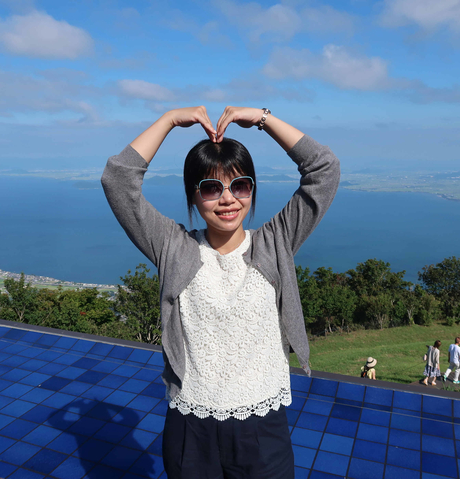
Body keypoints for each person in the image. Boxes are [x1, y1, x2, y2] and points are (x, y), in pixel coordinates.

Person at [101, 106, 340, 478]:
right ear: (194, 196)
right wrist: (167, 121)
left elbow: (324, 169)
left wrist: (263, 119)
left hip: (262, 423)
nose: (228, 199)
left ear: (251, 189)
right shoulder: (173, 247)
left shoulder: (276, 242)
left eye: (239, 185)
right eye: (211, 188)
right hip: (190, 424)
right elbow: (118, 180)